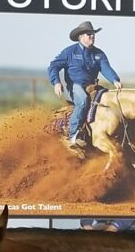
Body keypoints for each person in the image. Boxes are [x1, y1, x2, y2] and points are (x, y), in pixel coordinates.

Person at [48, 20, 121, 154]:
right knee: (82, 101)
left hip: (91, 86)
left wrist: (115, 80)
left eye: (93, 34)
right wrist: (56, 82)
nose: (92, 36)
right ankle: (73, 135)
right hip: (74, 86)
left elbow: (106, 68)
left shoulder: (99, 54)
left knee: (107, 102)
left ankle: (104, 134)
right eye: (89, 34)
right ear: (80, 37)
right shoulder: (69, 52)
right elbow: (53, 66)